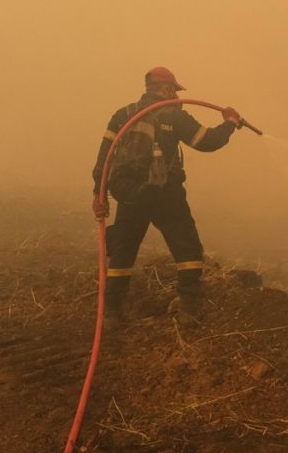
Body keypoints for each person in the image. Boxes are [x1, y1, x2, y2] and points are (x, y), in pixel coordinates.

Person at [91, 66, 241, 328]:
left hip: (130, 195)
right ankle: (189, 309)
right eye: (173, 90)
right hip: (165, 195)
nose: (175, 96)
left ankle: (112, 313)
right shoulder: (174, 116)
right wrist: (229, 123)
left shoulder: (123, 115)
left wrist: (98, 193)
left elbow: (104, 159)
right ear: (165, 90)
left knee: (123, 254)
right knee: (188, 249)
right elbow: (208, 141)